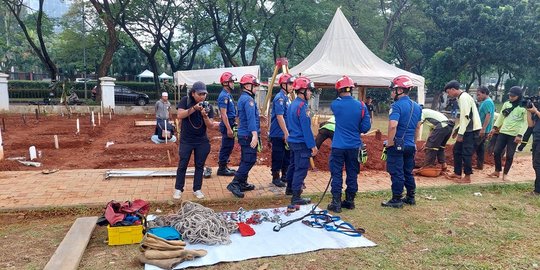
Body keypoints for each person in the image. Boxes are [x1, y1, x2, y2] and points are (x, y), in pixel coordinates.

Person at [327, 76, 371, 213]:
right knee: (352, 173)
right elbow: (365, 128)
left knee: (337, 173)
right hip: (354, 146)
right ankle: (350, 201)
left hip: (338, 146)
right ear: (352, 89)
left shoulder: (335, 105)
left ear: (338, 90)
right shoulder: (362, 106)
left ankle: (336, 203)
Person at [381, 75, 422, 208]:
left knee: (397, 172)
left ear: (400, 90)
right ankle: (410, 197)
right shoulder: (417, 107)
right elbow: (417, 127)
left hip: (398, 145)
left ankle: (396, 199)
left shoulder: (396, 106)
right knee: (407, 172)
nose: (392, 92)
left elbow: (393, 125)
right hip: (410, 145)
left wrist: (390, 142)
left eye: (393, 89)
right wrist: (414, 142)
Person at [173, 81, 217, 200]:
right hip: (186, 140)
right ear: (193, 93)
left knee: (199, 165)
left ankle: (197, 189)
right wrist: (193, 108)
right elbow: (180, 115)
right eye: (200, 94)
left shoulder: (208, 106)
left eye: (204, 94)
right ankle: (178, 189)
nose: (203, 96)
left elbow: (211, 125)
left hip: (201, 140)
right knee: (183, 164)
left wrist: (205, 116)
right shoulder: (185, 100)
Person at [226, 74, 261, 198]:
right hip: (248, 135)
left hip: (244, 134)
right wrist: (255, 135)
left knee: (246, 159)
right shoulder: (249, 100)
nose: (256, 88)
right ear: (247, 86)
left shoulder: (243, 98)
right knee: (249, 160)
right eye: (255, 86)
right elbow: (251, 119)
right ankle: (235, 183)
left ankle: (242, 182)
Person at [284, 76, 318, 205]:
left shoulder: (293, 104)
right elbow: (306, 128)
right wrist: (312, 145)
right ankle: (296, 196)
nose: (310, 93)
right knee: (301, 169)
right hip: (301, 142)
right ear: (302, 91)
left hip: (293, 141)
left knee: (293, 166)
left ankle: (290, 189)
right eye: (309, 90)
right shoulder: (303, 106)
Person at [444, 80, 482, 183]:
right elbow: (465, 116)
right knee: (456, 150)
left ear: (453, 89)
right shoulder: (461, 97)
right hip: (466, 129)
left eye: (448, 92)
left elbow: (466, 117)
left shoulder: (464, 98)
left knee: (466, 153)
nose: (448, 94)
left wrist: (460, 134)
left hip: (471, 130)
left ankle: (467, 177)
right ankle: (457, 173)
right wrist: (457, 130)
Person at [487, 86, 528, 181]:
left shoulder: (524, 107)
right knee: (497, 152)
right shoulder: (506, 104)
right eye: (510, 95)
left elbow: (526, 122)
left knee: (509, 155)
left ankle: (505, 174)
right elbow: (501, 117)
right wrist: (494, 128)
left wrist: (520, 135)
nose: (511, 97)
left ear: (519, 96)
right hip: (503, 132)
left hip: (514, 135)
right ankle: (497, 170)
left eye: (513, 96)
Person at [269, 74, 295, 187]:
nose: (292, 86)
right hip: (278, 133)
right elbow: (280, 117)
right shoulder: (280, 98)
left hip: (285, 133)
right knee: (278, 156)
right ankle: (275, 177)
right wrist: (286, 133)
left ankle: (285, 175)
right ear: (283, 85)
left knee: (286, 156)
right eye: (289, 84)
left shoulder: (287, 98)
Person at [217, 72, 238, 176]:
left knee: (229, 146)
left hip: (230, 122)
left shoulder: (228, 95)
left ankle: (225, 166)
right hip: (227, 123)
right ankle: (221, 169)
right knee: (226, 146)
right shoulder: (223, 96)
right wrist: (229, 129)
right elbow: (223, 114)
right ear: (225, 83)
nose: (233, 84)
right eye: (231, 82)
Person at [474, 86, 495, 169]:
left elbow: (488, 115)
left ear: (484, 93)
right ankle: (479, 165)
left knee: (473, 146)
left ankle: (465, 165)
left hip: (483, 129)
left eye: (479, 95)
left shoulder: (487, 102)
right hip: (483, 129)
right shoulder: (485, 102)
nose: (477, 96)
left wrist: (483, 129)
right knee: (480, 148)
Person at [526, 103, 540, 195]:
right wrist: (528, 111)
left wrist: (536, 111)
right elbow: (531, 125)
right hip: (536, 138)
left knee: (537, 163)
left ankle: (537, 191)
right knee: (535, 164)